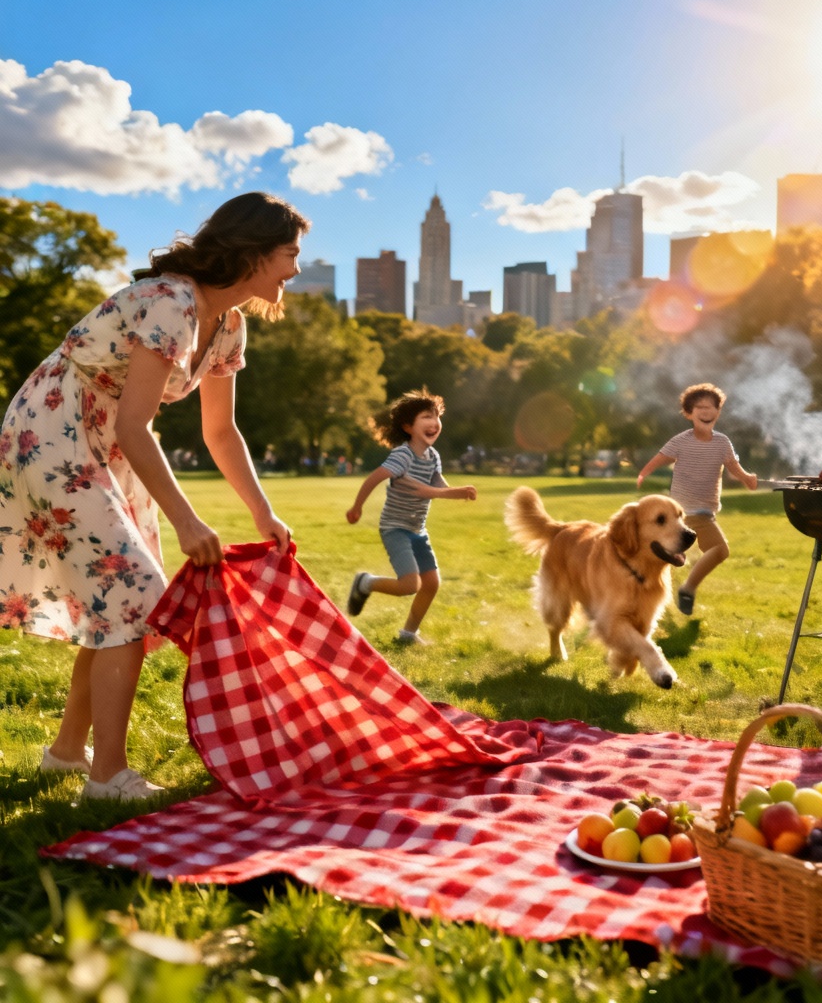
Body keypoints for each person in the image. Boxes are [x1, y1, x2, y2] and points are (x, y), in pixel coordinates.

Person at [0, 191, 308, 799]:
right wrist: (189, 522)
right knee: (134, 598)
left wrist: (262, 510)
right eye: (289, 254)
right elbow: (134, 424)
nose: (295, 269)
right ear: (252, 252)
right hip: (57, 430)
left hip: (111, 441)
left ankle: (66, 754)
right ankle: (107, 775)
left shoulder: (229, 323)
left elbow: (220, 430)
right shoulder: (170, 302)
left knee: (118, 602)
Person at [345, 390, 476, 644]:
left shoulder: (432, 456)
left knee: (431, 583)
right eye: (426, 416)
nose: (434, 422)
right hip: (395, 528)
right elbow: (376, 477)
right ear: (408, 426)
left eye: (437, 416)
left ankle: (408, 634)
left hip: (418, 529)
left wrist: (457, 492)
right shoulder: (402, 455)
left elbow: (437, 484)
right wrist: (357, 506)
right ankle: (366, 582)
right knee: (409, 585)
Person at [636, 382, 758, 615]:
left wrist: (747, 479)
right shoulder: (681, 441)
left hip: (702, 512)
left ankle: (650, 591)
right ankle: (686, 589)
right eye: (699, 407)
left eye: (711, 407)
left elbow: (734, 467)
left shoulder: (722, 442)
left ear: (718, 412)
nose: (705, 412)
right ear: (688, 413)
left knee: (667, 557)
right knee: (719, 550)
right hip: (686, 513)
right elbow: (661, 457)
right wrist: (644, 472)